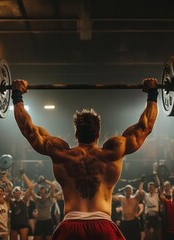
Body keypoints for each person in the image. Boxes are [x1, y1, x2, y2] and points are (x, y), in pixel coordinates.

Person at [12, 77, 158, 240]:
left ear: (76, 134)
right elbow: (145, 127)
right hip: (103, 226)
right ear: (98, 134)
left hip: (71, 227)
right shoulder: (113, 151)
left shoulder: (61, 153)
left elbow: (28, 130)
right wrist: (152, 94)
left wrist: (17, 95)